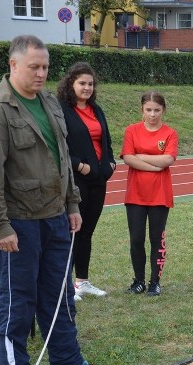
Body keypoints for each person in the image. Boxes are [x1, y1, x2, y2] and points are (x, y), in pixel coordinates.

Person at [0, 35, 113, 365]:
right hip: (18, 222)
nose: (41, 73)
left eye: (45, 67)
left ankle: (70, 361)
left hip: (55, 217)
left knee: (61, 295)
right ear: (13, 65)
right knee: (18, 298)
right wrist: (0, 226)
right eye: (34, 67)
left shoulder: (51, 103)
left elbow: (62, 160)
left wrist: (72, 204)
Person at [57, 62, 117, 302]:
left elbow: (107, 140)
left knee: (87, 232)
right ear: (71, 83)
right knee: (72, 231)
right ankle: (65, 284)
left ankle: (82, 281)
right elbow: (58, 146)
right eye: (82, 83)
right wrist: (79, 165)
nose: (87, 88)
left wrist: (111, 163)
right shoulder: (62, 110)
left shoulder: (96, 109)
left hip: (99, 179)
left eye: (90, 84)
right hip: (76, 180)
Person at [121, 91, 178, 297]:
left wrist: (142, 157)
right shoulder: (132, 131)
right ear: (142, 111)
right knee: (136, 239)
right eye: (149, 110)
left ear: (163, 111)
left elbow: (168, 160)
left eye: (157, 110)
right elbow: (128, 157)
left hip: (160, 195)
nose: (153, 114)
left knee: (156, 239)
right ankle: (138, 281)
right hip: (135, 194)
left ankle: (155, 282)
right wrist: (155, 164)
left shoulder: (170, 133)